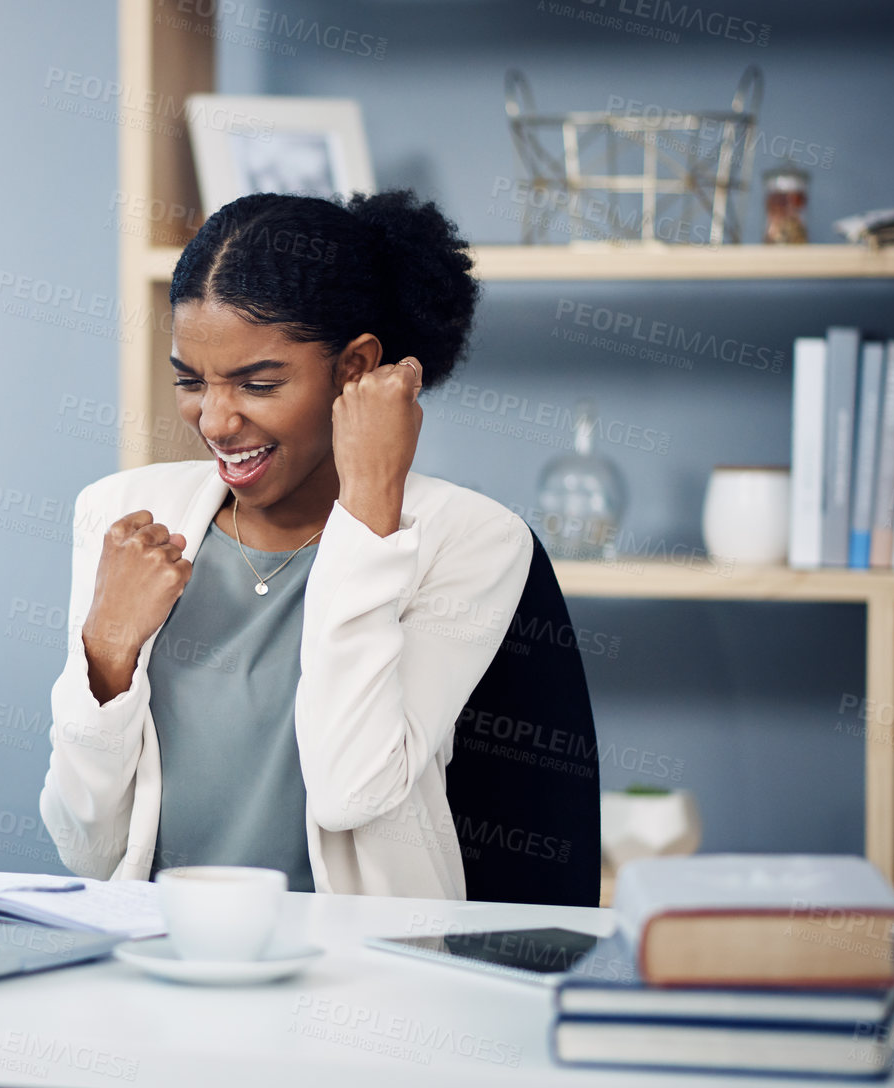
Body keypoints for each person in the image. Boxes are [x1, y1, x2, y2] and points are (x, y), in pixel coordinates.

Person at [39, 188, 534, 899]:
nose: (213, 419)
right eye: (190, 381)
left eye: (257, 383)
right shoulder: (123, 516)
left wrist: (367, 515)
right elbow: (86, 850)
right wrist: (107, 649)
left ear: (355, 368)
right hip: (159, 960)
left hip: (360, 981)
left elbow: (350, 793)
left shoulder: (472, 540)